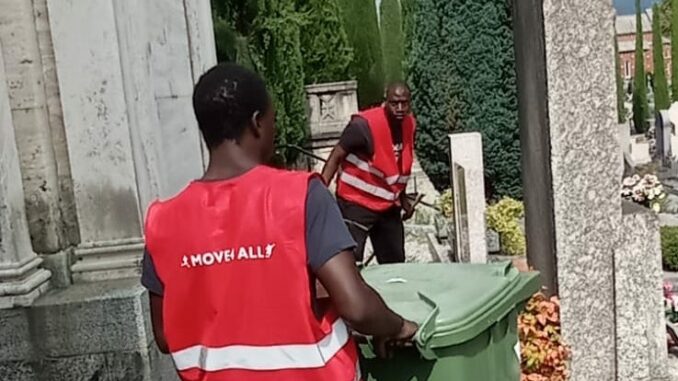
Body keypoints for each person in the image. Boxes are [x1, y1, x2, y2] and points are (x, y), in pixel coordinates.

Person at [140, 63, 417, 381]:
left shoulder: (163, 222)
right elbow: (357, 307)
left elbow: (165, 336)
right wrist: (396, 325)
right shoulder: (300, 195)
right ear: (257, 123)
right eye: (272, 121)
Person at [321, 82, 416, 265]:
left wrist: (403, 199)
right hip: (356, 203)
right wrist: (321, 192)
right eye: (394, 103)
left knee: (395, 264)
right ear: (385, 101)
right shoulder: (362, 126)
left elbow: (399, 168)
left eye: (405, 103)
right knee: (350, 265)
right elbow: (335, 156)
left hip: (388, 205)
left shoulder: (409, 125)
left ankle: (391, 293)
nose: (400, 108)